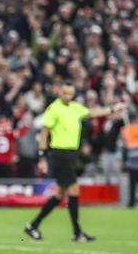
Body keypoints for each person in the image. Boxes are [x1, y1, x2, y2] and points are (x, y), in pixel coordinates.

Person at [24, 80, 124, 242]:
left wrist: (112, 109)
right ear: (59, 92)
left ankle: (33, 225)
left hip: (71, 154)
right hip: (60, 154)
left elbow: (92, 113)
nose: (68, 96)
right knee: (74, 190)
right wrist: (42, 157)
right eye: (65, 93)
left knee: (59, 194)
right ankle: (77, 232)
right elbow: (44, 134)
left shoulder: (74, 107)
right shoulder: (53, 109)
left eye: (71, 93)